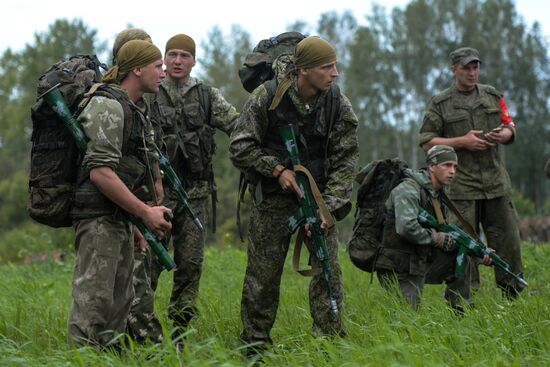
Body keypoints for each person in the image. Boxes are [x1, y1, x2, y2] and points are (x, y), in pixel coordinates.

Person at [229, 36, 358, 355]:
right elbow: (240, 146)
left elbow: (346, 159)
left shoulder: (337, 103)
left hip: (319, 199)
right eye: (328, 67)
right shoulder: (267, 96)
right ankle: (255, 347)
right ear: (304, 70)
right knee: (263, 277)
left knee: (328, 272)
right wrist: (276, 170)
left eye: (335, 65)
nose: (335, 73)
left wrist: (327, 208)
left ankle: (330, 345)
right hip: (273, 200)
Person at [129, 33, 239, 343]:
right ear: (164, 60)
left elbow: (238, 126)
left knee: (190, 268)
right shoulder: (150, 93)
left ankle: (181, 338)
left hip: (196, 196)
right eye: (172, 55)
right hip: (156, 197)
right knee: (148, 266)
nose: (177, 61)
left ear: (193, 60)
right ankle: (140, 333)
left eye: (184, 55)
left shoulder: (206, 96)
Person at [67, 40, 172, 349]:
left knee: (118, 308)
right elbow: (101, 173)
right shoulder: (108, 106)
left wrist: (134, 223)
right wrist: (144, 212)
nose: (163, 73)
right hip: (98, 219)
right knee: (93, 308)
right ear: (137, 69)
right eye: (157, 66)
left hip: (117, 219)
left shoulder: (130, 108)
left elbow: (125, 171)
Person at [419, 47, 525, 298]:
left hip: (496, 183)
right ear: (454, 70)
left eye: (475, 67)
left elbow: (509, 123)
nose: (472, 72)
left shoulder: (492, 96)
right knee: (464, 247)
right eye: (466, 68)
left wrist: (505, 134)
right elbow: (426, 141)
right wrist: (462, 142)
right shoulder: (440, 103)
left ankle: (513, 297)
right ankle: (465, 302)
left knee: (509, 242)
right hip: (461, 187)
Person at [375, 145, 490, 311]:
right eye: (446, 165)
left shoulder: (436, 194)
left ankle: (460, 315)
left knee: (460, 256)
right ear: (432, 166)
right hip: (398, 263)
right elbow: (406, 227)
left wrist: (480, 252)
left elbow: (446, 231)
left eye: (455, 167)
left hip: (418, 258)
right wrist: (436, 238)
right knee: (406, 319)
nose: (452, 171)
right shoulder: (408, 189)